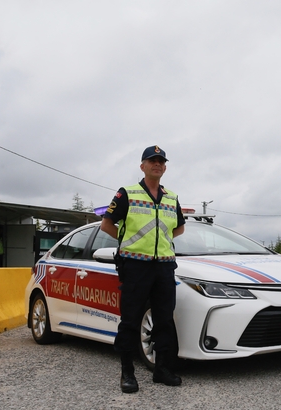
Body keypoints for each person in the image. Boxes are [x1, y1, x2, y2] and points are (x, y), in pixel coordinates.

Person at [100, 145, 185, 393]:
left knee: (164, 321)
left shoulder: (171, 197)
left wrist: (164, 243)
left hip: (165, 266)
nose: (157, 164)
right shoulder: (127, 193)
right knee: (130, 320)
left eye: (161, 161)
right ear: (142, 166)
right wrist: (128, 243)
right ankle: (128, 372)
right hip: (135, 266)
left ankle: (162, 369)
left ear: (165, 167)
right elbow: (107, 225)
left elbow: (179, 228)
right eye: (152, 160)